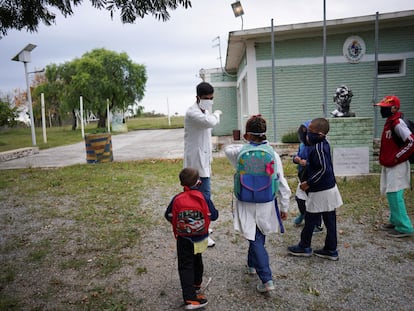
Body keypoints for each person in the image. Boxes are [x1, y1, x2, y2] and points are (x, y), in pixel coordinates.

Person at [224, 115, 291, 293]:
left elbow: (227, 149)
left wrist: (244, 141)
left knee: (254, 238)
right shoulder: (273, 154)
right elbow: (281, 182)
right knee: (258, 234)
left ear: (247, 135)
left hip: (245, 199)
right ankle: (251, 265)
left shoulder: (238, 152)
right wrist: (284, 206)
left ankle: (267, 279)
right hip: (266, 201)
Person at [288, 117, 343, 261]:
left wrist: (309, 182)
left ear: (320, 134)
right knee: (329, 219)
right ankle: (331, 249)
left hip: (320, 190)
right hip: (329, 187)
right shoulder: (321, 145)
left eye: (310, 131)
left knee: (311, 218)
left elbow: (323, 169)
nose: (307, 134)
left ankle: (304, 246)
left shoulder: (318, 148)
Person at [165, 167, 219, 310]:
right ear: (198, 182)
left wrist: (181, 225)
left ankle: (190, 296)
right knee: (197, 260)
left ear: (182, 184)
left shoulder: (177, 199)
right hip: (200, 238)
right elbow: (214, 215)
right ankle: (195, 287)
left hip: (184, 239)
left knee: (185, 265)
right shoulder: (204, 198)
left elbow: (168, 215)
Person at [184, 81, 222, 247]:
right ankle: (202, 233)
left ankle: (203, 226)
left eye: (211, 98)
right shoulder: (193, 112)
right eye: (206, 98)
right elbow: (211, 122)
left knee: (203, 196)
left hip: (203, 160)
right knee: (201, 198)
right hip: (196, 164)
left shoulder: (204, 111)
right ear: (197, 97)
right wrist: (218, 114)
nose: (209, 100)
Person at [374, 95, 414, 238]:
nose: (382, 110)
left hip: (397, 165)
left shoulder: (397, 123)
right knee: (391, 193)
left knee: (395, 194)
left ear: (394, 108)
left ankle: (404, 227)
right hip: (390, 164)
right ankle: (395, 220)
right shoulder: (390, 122)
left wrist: (396, 157)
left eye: (384, 108)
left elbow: (411, 142)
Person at [292, 120, 323, 233]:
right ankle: (303, 214)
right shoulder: (302, 145)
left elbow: (320, 164)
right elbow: (298, 156)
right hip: (302, 175)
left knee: (314, 201)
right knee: (300, 198)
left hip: (313, 177)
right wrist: (296, 159)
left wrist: (307, 163)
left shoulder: (317, 146)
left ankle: (317, 224)